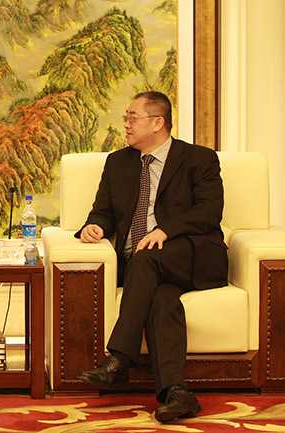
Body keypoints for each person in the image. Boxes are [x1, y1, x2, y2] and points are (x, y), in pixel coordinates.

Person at [76, 91, 228, 423]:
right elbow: (103, 211)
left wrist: (166, 230)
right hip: (146, 269)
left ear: (157, 122)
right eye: (126, 119)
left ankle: (119, 359)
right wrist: (94, 226)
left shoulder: (199, 159)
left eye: (132, 118)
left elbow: (209, 212)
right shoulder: (118, 162)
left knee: (145, 258)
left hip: (192, 256)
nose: (126, 125)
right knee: (161, 299)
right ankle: (177, 393)